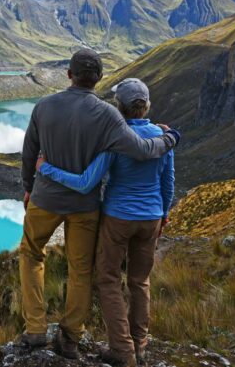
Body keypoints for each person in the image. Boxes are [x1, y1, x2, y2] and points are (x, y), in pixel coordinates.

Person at [18, 50, 180, 360]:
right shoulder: (109, 115)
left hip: (46, 199)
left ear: (69, 74)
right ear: (99, 79)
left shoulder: (44, 106)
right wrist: (170, 138)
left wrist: (28, 187)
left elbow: (29, 153)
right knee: (80, 269)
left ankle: (36, 329)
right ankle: (70, 338)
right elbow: (143, 149)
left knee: (30, 254)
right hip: (86, 206)